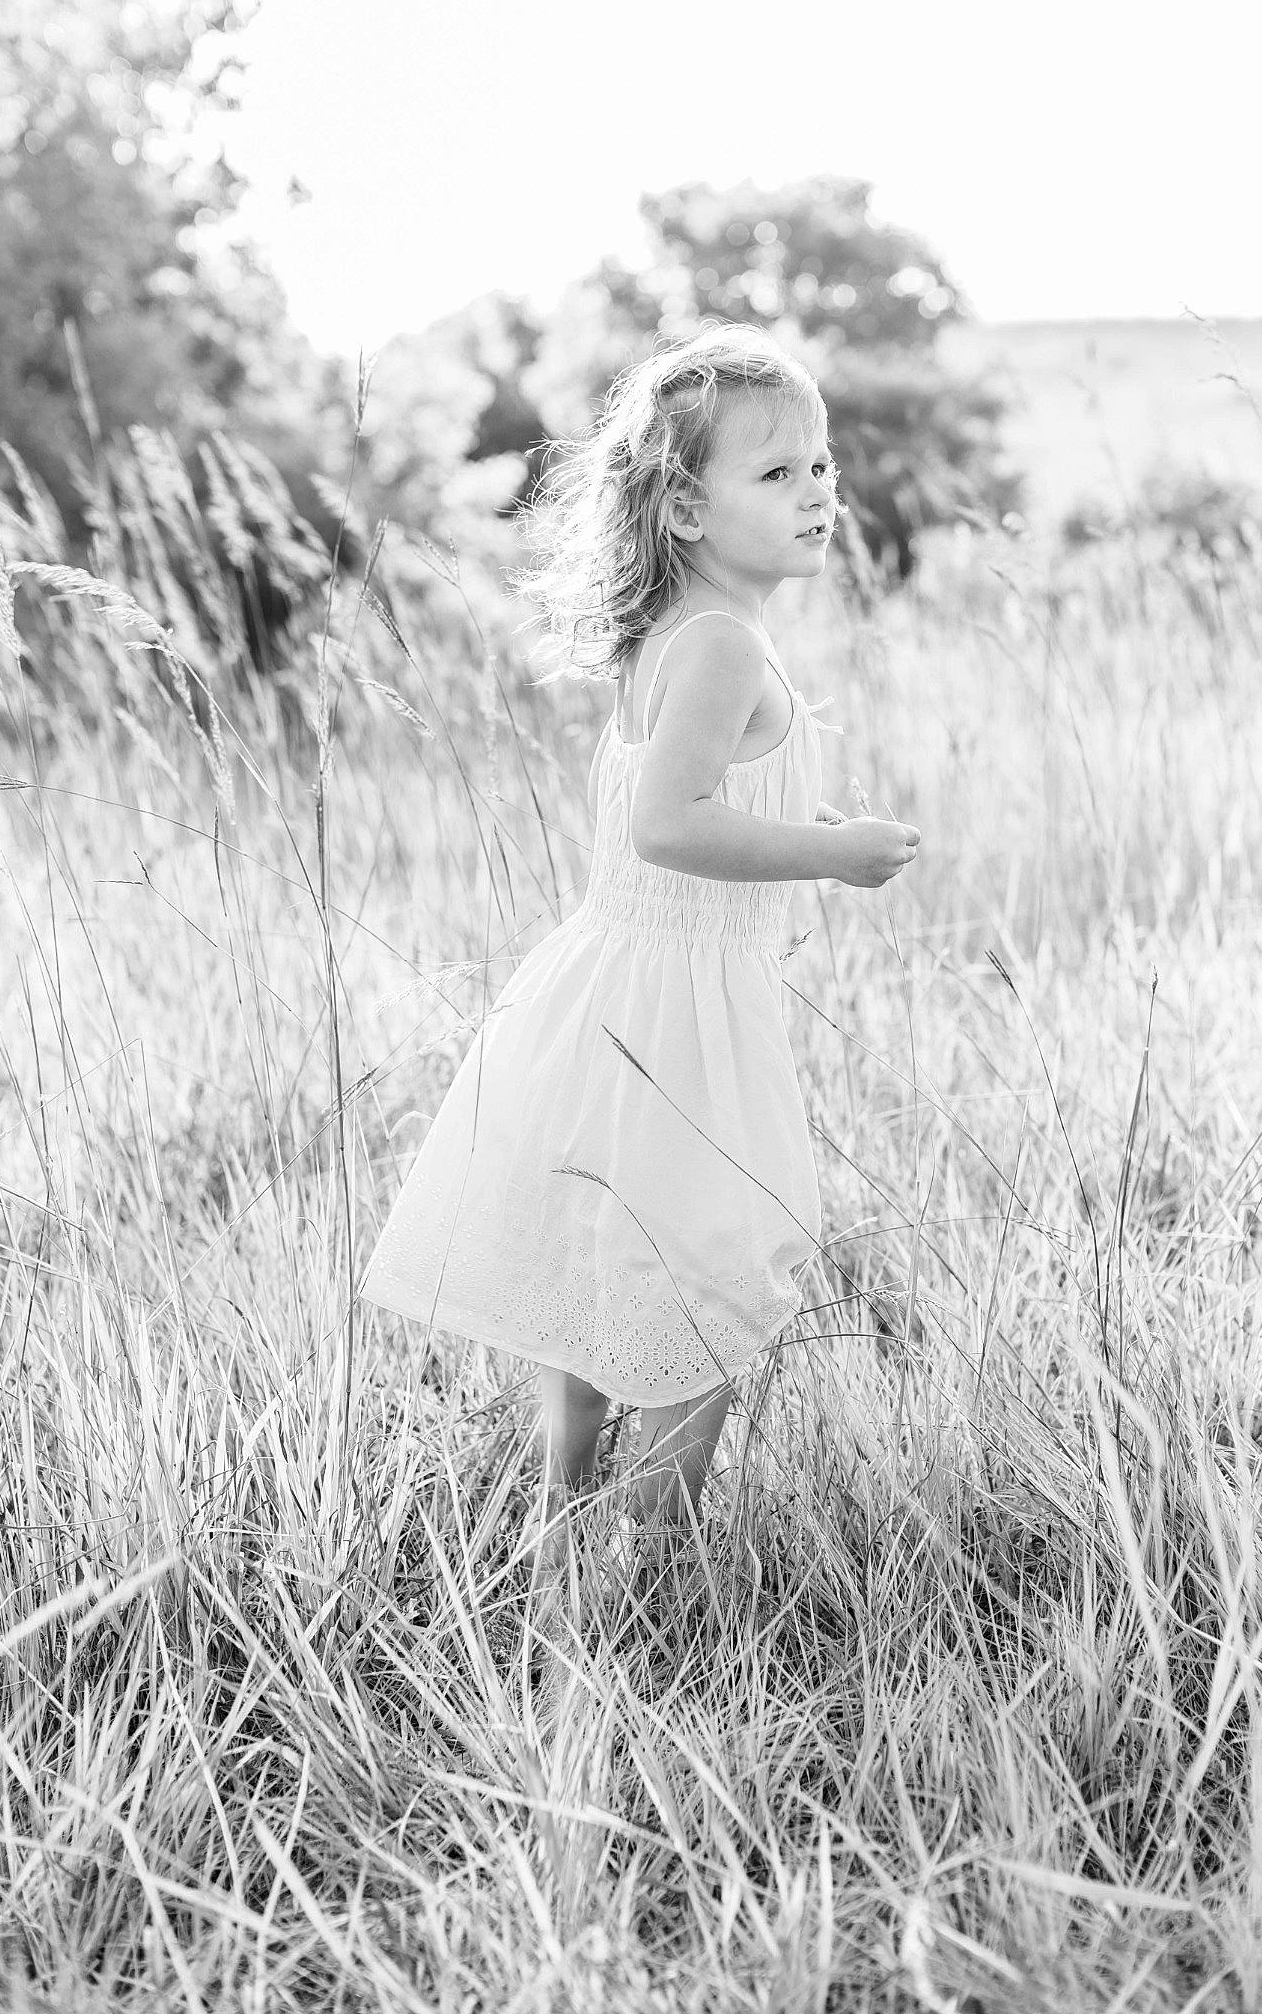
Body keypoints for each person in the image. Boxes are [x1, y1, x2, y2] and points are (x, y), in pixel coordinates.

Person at [358, 322, 921, 1620]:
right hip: (673, 1013)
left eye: (822, 465)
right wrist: (826, 860)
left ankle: (566, 1539)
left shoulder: (678, 632)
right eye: (777, 474)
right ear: (682, 502)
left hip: (616, 981)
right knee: (711, 1272)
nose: (820, 491)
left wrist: (807, 837)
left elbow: (677, 811)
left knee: (613, 1263)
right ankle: (645, 1570)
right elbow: (668, 827)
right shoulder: (722, 644)